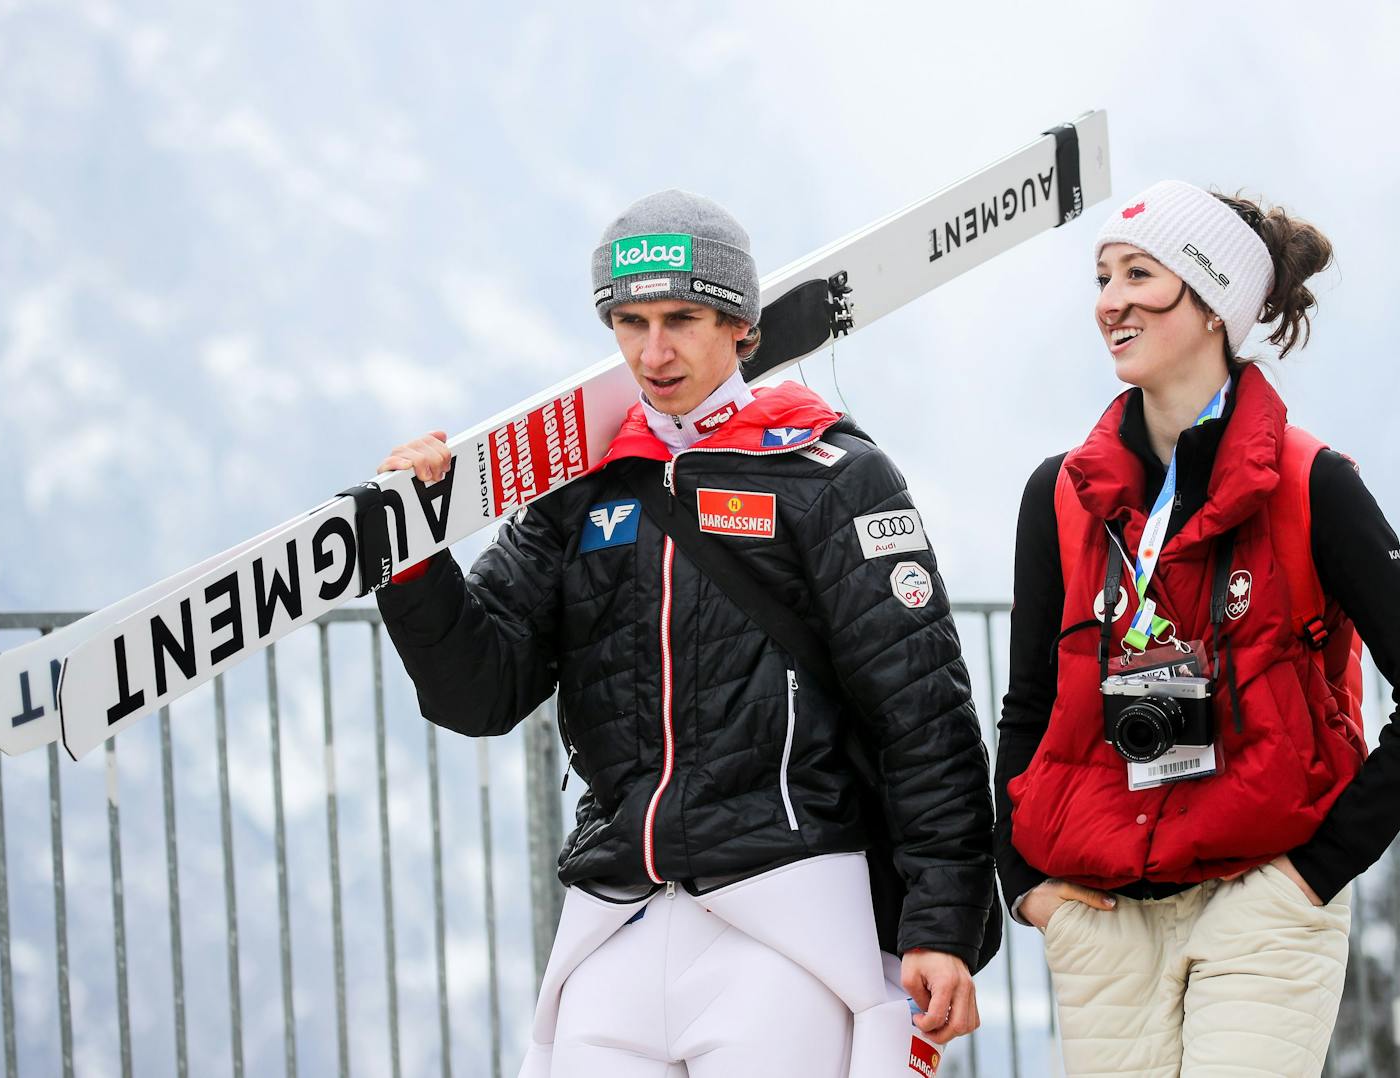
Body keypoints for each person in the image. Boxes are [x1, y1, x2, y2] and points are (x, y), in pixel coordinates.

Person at [376, 190, 997, 1077]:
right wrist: (413, 555)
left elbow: (923, 715)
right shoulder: (580, 487)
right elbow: (478, 692)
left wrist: (942, 924)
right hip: (616, 913)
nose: (652, 352)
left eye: (682, 319)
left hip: (790, 909)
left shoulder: (828, 473)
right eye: (628, 322)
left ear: (742, 325)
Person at [994, 180, 1400, 1077]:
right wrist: (1024, 888)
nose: (1111, 302)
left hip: (1264, 899)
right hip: (1101, 919)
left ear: (1214, 304)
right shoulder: (1059, 494)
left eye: (1141, 274)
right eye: (1103, 277)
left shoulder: (1313, 484)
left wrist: (1311, 877)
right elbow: (1026, 707)